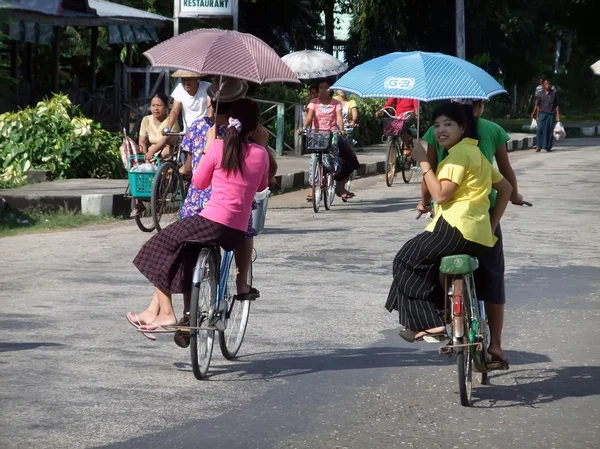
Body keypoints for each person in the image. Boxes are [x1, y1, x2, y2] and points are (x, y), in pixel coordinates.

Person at [126, 99, 270, 335]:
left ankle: (168, 313)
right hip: (237, 231)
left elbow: (199, 182)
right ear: (256, 128)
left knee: (155, 247)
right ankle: (157, 311)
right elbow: (261, 185)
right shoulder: (261, 154)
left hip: (210, 221)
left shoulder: (216, 147)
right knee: (184, 251)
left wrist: (207, 149)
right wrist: (260, 145)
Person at [385, 103, 513, 350]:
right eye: (436, 126)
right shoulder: (474, 153)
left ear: (463, 128)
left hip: (454, 226)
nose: (440, 130)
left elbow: (441, 195)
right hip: (476, 231)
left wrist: (424, 163)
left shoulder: (459, 156)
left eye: (448, 125)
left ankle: (429, 322)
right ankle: (424, 320)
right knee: (424, 263)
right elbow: (506, 189)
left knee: (404, 260)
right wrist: (491, 225)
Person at [172, 78, 277, 347]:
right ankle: (242, 282)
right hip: (231, 217)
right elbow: (267, 175)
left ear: (212, 104)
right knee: (246, 231)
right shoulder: (251, 136)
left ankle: (187, 312)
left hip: (197, 210)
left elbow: (188, 170)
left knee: (188, 252)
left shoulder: (198, 129)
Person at [419, 99, 524, 367]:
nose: (442, 128)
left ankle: (444, 317)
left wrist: (424, 201)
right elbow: (504, 171)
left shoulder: (435, 131)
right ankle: (496, 346)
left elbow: (428, 170)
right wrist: (514, 196)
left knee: (433, 263)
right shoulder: (491, 129)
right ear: (479, 106)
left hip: (451, 217)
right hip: (484, 215)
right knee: (492, 279)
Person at [299, 79, 359, 202]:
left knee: (343, 157)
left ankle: (338, 183)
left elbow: (338, 118)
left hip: (332, 134)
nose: (322, 90)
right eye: (320, 87)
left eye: (325, 88)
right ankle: (314, 186)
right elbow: (309, 117)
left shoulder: (336, 103)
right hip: (316, 135)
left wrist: (341, 129)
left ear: (330, 90)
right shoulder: (313, 103)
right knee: (314, 160)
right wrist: (303, 128)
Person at [128, 92, 180, 217]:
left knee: (164, 154)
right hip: (150, 151)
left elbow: (165, 140)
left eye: (159, 105)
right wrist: (146, 154)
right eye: (153, 105)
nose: (155, 108)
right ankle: (138, 202)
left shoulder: (170, 120)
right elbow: (141, 140)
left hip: (168, 151)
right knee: (136, 167)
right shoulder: (146, 120)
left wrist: (152, 153)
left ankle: (158, 195)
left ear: (166, 107)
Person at [534, 78, 560, 152]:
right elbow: (538, 106)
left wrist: (558, 116)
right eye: (546, 84)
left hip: (551, 114)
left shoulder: (554, 94)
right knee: (539, 129)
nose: (547, 85)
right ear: (543, 85)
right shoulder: (540, 94)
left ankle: (547, 146)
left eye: (549, 84)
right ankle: (538, 145)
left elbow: (557, 105)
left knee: (548, 130)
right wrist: (537, 116)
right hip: (542, 114)